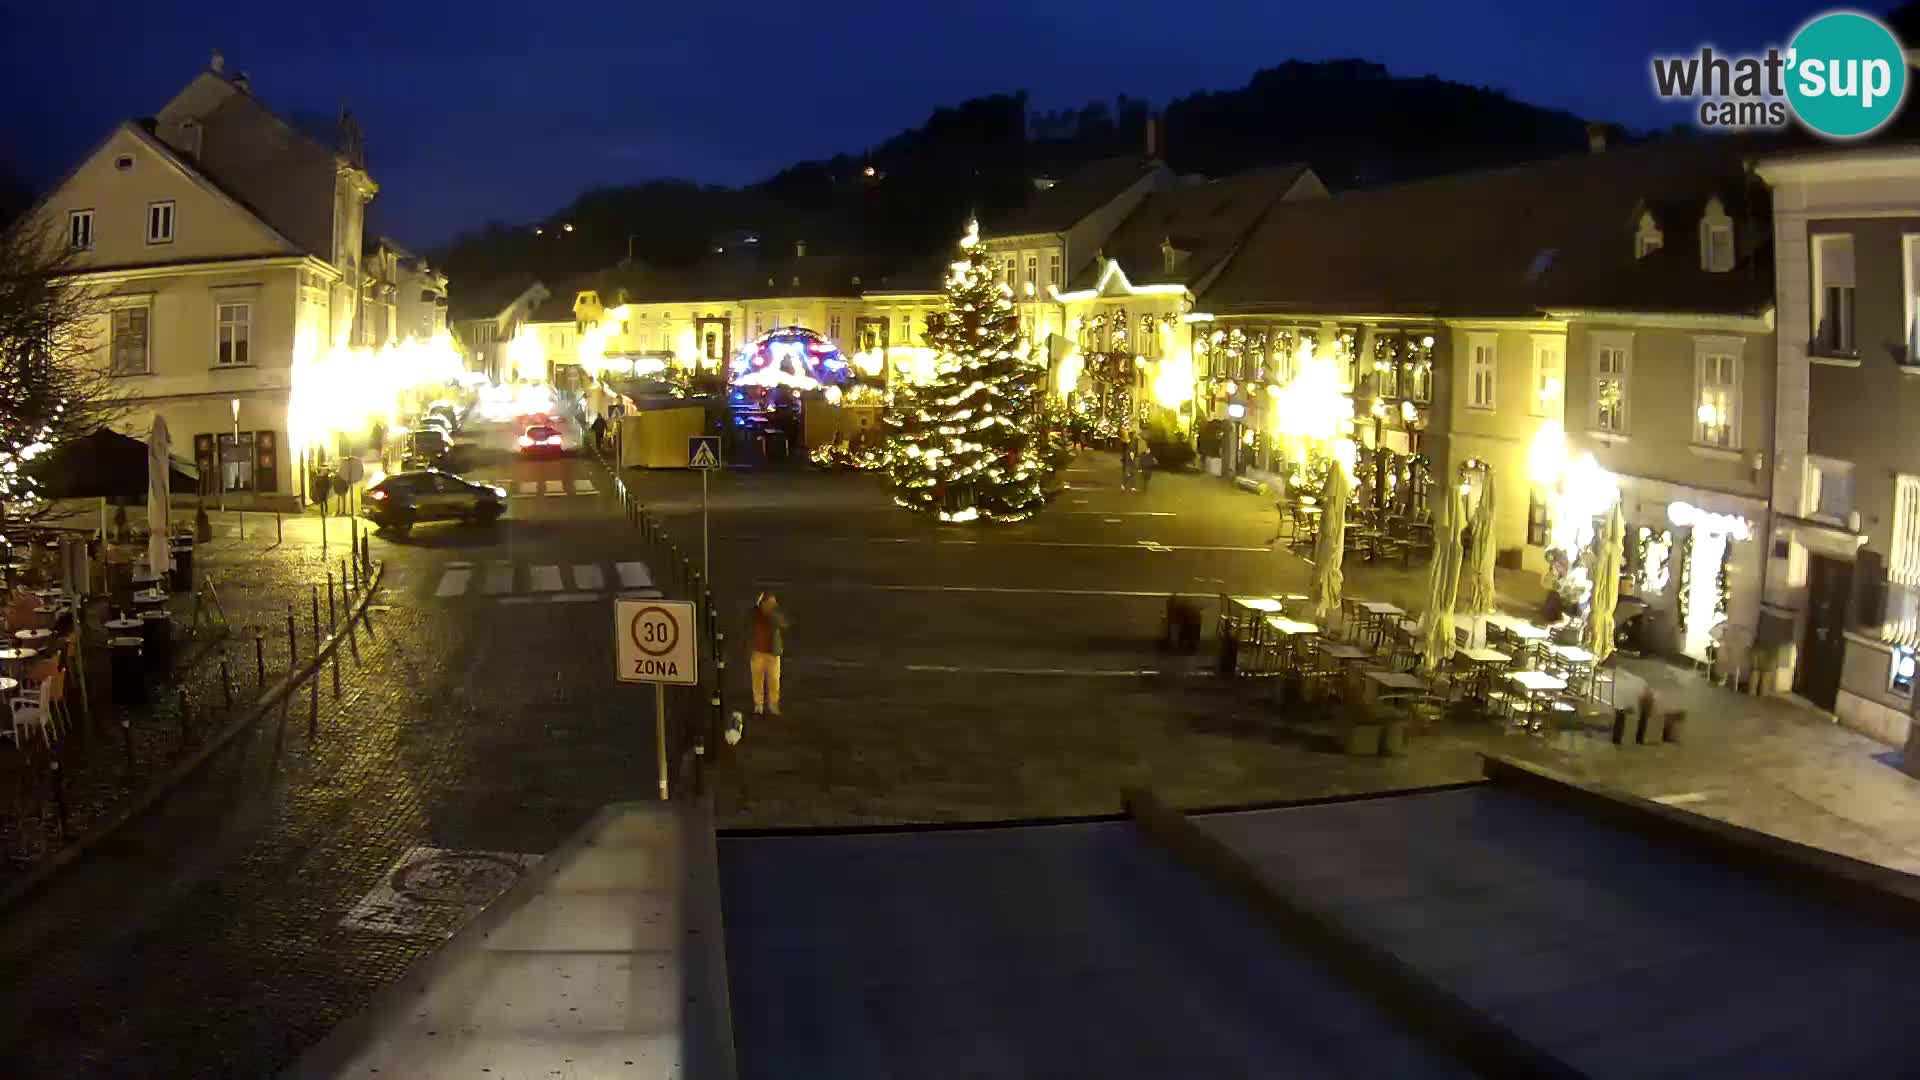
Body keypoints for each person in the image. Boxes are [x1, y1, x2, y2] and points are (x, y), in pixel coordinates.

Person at [749, 592, 788, 717]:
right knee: (757, 679)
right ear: (763, 603)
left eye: (774, 603)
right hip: (758, 652)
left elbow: (783, 624)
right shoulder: (755, 614)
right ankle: (759, 704)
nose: (773, 605)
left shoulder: (775, 616)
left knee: (774, 680)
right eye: (770, 603)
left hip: (772, 653)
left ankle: (773, 704)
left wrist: (773, 614)